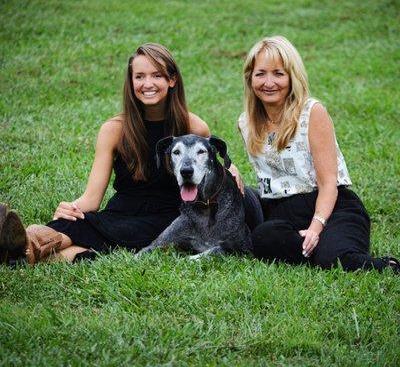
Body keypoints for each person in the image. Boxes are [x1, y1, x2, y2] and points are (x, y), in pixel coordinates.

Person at [1, 43, 213, 264]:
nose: (147, 83)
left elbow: (213, 165)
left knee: (103, 238)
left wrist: (231, 168)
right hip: (120, 211)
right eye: (139, 76)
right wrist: (70, 208)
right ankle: (24, 245)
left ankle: (22, 253)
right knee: (77, 222)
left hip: (167, 218)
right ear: (131, 82)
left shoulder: (193, 127)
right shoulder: (114, 129)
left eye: (157, 75)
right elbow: (92, 199)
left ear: (172, 80)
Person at [238, 35, 399, 273]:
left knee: (334, 259)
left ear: (292, 76)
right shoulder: (246, 123)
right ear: (250, 77)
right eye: (260, 73)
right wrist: (230, 167)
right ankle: (316, 249)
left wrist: (315, 227)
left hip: (331, 205)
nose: (268, 82)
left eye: (278, 73)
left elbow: (328, 183)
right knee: (262, 239)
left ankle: (385, 264)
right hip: (283, 212)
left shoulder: (312, 113)